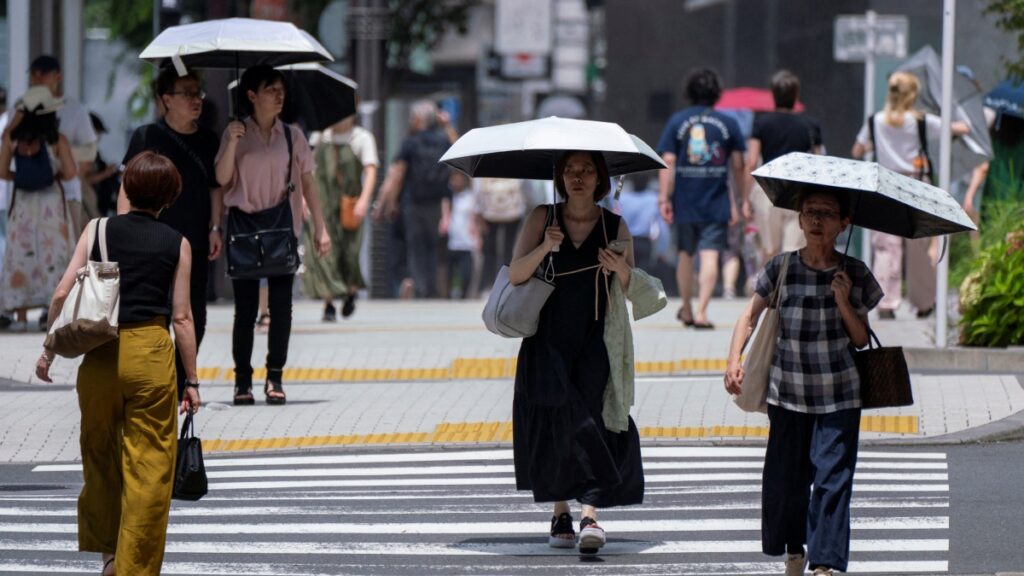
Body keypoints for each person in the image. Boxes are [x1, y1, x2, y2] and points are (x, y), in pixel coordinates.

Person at [35, 151, 202, 576]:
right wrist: (193, 381)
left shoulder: (97, 230)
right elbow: (182, 318)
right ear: (169, 198)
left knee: (100, 452)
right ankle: (132, 569)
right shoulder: (177, 243)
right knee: (149, 467)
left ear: (127, 188)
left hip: (100, 354)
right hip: (150, 352)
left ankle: (108, 552)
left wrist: (50, 349)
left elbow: (61, 294)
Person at [725, 189, 883, 576]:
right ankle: (795, 551)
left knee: (832, 482)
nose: (817, 220)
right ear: (798, 219)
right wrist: (734, 360)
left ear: (844, 223)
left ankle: (824, 565)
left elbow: (861, 340)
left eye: (827, 214)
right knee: (786, 485)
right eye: (810, 213)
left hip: (839, 395)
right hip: (788, 396)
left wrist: (844, 300)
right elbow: (749, 315)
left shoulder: (856, 272)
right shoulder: (781, 267)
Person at [510, 150, 649, 555]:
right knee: (555, 421)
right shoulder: (542, 218)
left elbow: (630, 288)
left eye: (587, 170)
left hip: (595, 340)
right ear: (560, 177)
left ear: (601, 178)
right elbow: (515, 274)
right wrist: (544, 248)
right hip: (546, 340)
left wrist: (619, 268)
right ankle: (559, 511)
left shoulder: (614, 226)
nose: (578, 177)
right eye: (570, 170)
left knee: (593, 420)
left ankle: (590, 514)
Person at [215, 65, 331, 406]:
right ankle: (242, 381)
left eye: (281, 90)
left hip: (282, 228)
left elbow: (309, 183)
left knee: (282, 309)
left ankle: (275, 376)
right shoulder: (235, 133)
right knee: (246, 310)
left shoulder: (293, 136)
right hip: (245, 228)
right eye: (271, 90)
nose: (279, 95)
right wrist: (232, 143)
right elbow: (221, 180)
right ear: (251, 96)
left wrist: (320, 229)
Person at [121, 67, 222, 399]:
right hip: (151, 239)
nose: (196, 99)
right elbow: (128, 184)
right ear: (166, 100)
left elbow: (215, 188)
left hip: (193, 238)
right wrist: (123, 228)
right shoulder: (146, 136)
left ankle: (179, 381)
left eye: (198, 93)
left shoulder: (209, 139)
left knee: (197, 316)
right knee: (155, 315)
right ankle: (162, 385)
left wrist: (215, 227)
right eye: (187, 93)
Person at [852, 71, 969, 319]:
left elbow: (857, 149)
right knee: (918, 244)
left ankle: (885, 302)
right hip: (916, 183)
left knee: (885, 247)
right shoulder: (920, 121)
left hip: (884, 185)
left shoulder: (876, 120)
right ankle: (924, 301)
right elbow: (962, 128)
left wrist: (876, 144)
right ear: (912, 95)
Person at [657, 68, 746, 329]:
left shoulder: (677, 121)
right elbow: (739, 164)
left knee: (685, 254)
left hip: (685, 200)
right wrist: (741, 200)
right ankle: (703, 312)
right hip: (716, 200)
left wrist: (664, 198)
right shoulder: (729, 124)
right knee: (710, 255)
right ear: (716, 93)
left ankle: (686, 308)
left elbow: (668, 161)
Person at [0, 86, 77, 332]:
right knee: (52, 256)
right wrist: (49, 174)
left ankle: (20, 317)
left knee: (21, 256)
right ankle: (49, 313)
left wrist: (20, 176)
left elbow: (1, 172)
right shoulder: (57, 139)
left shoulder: (13, 139)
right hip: (51, 206)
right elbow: (70, 173)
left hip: (22, 205)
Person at [375, 100, 458, 298]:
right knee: (431, 248)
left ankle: (417, 287)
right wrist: (447, 126)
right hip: (435, 203)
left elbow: (398, 174)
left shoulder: (410, 143)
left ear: (419, 119)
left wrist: (390, 202)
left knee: (415, 247)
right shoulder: (441, 140)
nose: (410, 121)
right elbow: (460, 150)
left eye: (412, 117)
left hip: (412, 202)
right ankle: (430, 289)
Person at [304, 114, 379, 320]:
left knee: (350, 253)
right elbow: (307, 171)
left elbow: (371, 171)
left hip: (350, 204)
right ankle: (328, 304)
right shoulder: (319, 137)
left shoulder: (361, 138)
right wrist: (303, 199)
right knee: (326, 254)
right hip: (323, 203)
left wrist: (364, 200)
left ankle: (350, 292)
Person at [745, 70, 823, 260]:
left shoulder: (761, 123)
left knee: (768, 251)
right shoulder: (810, 125)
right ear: (796, 95)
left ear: (773, 94)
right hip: (798, 192)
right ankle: (788, 288)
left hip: (768, 191)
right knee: (793, 251)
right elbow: (818, 164)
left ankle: (769, 289)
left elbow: (752, 162)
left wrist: (746, 198)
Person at [29, 55, 98, 238]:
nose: (38, 79)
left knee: (70, 253)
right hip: (29, 194)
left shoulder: (75, 109)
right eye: (34, 75)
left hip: (66, 194)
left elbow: (90, 151)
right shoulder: (21, 109)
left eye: (43, 74)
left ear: (57, 77)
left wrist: (59, 153)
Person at [474, 175, 526, 292]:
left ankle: (492, 284)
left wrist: (478, 212)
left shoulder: (484, 165)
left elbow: (477, 192)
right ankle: (501, 284)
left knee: (494, 251)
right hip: (506, 212)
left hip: (503, 212)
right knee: (500, 250)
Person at [444, 171, 477, 298]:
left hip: (467, 241)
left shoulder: (470, 197)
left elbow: (475, 218)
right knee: (450, 272)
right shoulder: (449, 198)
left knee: (466, 272)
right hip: (452, 241)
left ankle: (463, 293)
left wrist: (477, 236)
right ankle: (449, 293)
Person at [84, 113, 120, 217]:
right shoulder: (83, 153)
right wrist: (106, 173)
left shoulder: (95, 153)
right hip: (89, 208)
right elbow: (85, 179)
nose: (98, 137)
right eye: (97, 132)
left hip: (103, 206)